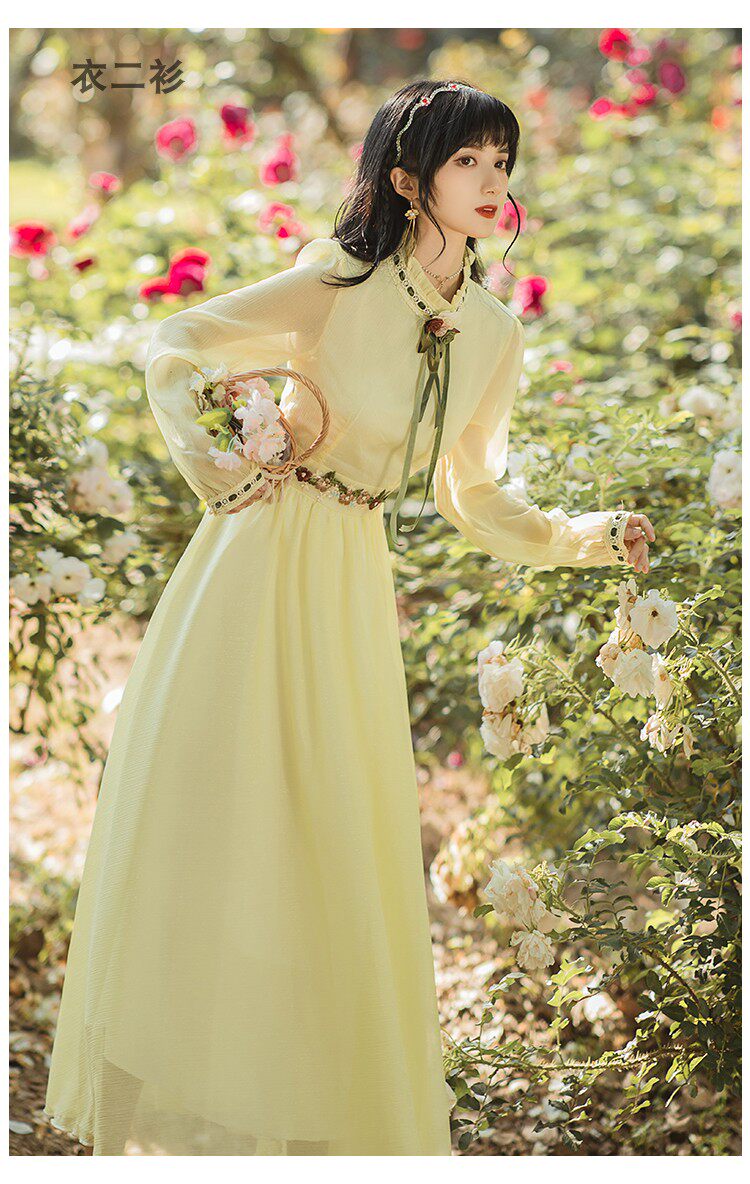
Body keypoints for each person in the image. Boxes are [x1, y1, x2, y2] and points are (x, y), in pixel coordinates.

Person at [44, 78, 654, 1157]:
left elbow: (473, 494)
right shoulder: (338, 282)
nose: (492, 182)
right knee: (229, 810)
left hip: (350, 581)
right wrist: (223, 459)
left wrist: (588, 535)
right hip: (259, 559)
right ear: (410, 181)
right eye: (468, 161)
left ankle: (304, 1104)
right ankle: (194, 1081)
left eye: (501, 162)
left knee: (333, 834)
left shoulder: (493, 332)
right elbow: (178, 343)